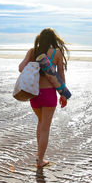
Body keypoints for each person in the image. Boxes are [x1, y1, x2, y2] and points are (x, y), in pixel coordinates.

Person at [18, 28, 69, 168]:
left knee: (40, 123)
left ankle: (39, 154)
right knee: (45, 127)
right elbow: (61, 75)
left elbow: (21, 68)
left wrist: (34, 64)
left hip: (34, 94)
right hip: (49, 94)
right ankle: (41, 160)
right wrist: (63, 94)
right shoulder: (57, 53)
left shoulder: (32, 51)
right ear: (53, 39)